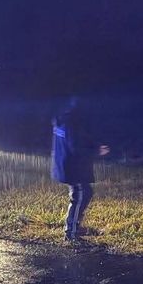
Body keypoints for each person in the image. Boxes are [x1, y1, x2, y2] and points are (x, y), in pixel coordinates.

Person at [51, 96, 109, 242]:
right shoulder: (72, 123)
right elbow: (76, 146)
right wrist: (97, 151)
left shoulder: (62, 119)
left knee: (82, 194)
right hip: (73, 168)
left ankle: (74, 226)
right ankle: (71, 232)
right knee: (81, 196)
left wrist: (95, 145)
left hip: (65, 165)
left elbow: (80, 138)